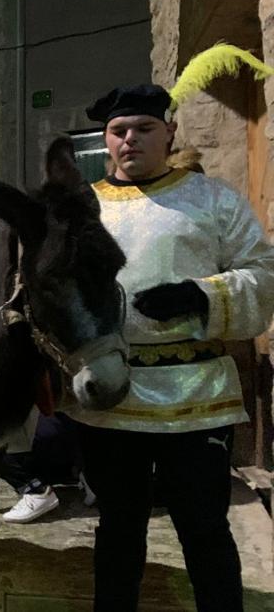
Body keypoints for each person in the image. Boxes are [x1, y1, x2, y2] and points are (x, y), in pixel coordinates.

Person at [69, 78, 274, 612]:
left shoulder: (211, 199)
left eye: (143, 128)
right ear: (106, 139)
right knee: (117, 528)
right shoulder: (82, 210)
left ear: (169, 133)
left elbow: (264, 272)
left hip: (195, 398)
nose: (129, 140)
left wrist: (200, 296)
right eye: (117, 131)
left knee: (204, 529)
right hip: (113, 399)